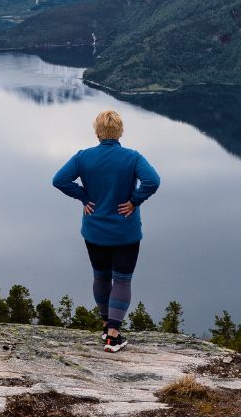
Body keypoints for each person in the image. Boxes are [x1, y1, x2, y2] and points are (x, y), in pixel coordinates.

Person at [51, 108, 160, 353]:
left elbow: (59, 180)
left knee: (100, 276)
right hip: (125, 231)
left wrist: (83, 196)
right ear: (120, 131)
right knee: (122, 280)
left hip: (95, 230)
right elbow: (153, 181)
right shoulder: (132, 157)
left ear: (97, 131)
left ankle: (105, 326)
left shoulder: (83, 157)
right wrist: (134, 200)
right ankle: (113, 335)